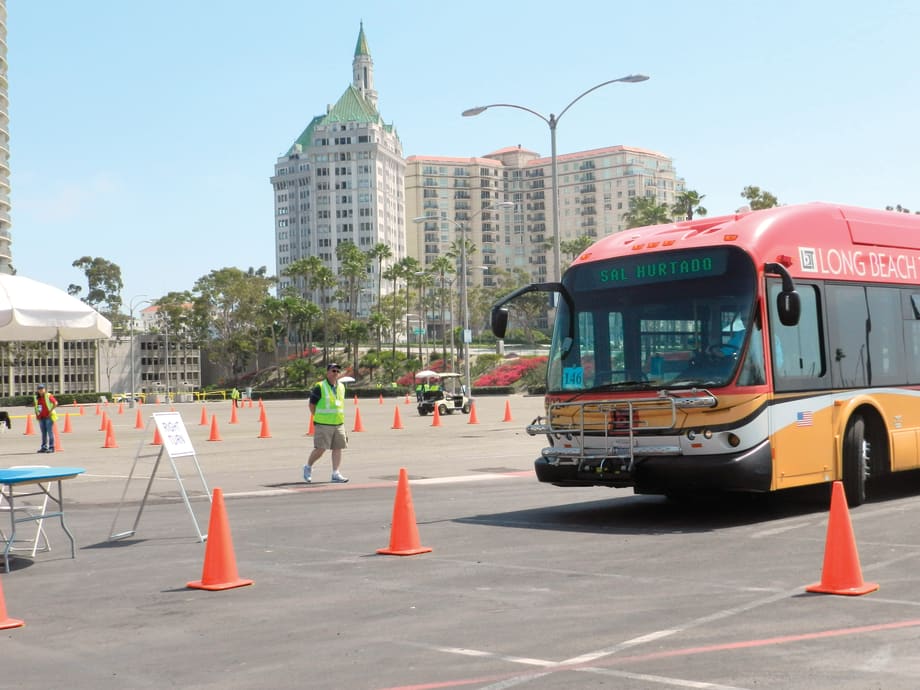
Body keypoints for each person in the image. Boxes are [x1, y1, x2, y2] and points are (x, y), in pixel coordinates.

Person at [303, 363, 349, 484]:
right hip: (323, 423)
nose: (335, 373)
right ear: (328, 373)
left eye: (338, 371)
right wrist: (317, 416)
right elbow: (311, 404)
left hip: (338, 423)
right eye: (333, 371)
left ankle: (336, 473)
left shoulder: (341, 387)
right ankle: (308, 466)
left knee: (338, 448)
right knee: (321, 449)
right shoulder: (320, 387)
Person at [33, 383, 58, 453]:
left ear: (44, 389)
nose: (41, 390)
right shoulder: (36, 397)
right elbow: (36, 407)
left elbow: (55, 403)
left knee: (50, 432)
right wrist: (37, 415)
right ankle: (44, 447)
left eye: (42, 389)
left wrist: (50, 411)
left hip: (48, 417)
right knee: (43, 433)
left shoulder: (48, 395)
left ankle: (51, 447)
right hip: (41, 417)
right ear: (38, 390)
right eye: (39, 389)